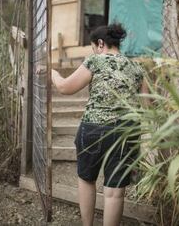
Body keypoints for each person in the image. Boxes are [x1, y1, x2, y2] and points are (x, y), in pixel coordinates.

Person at [51, 23, 146, 226]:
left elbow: (65, 88)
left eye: (94, 46)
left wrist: (53, 74)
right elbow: (149, 104)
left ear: (100, 43)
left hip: (94, 127)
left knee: (87, 179)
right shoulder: (137, 67)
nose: (94, 50)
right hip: (126, 131)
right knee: (115, 192)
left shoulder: (95, 61)